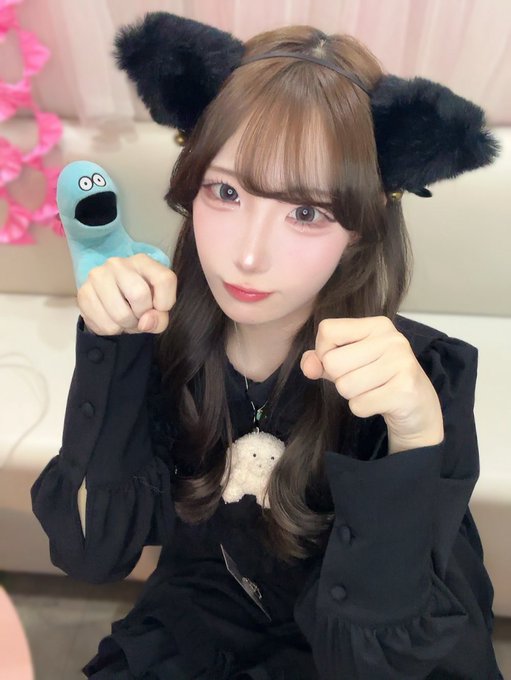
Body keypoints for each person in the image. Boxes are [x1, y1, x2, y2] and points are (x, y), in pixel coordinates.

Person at [31, 12, 503, 680]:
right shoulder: (165, 341)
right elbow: (91, 553)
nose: (248, 256)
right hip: (195, 627)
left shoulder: (421, 381)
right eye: (225, 191)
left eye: (305, 212)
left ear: (360, 228)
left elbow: (383, 660)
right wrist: (112, 344)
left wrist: (414, 439)